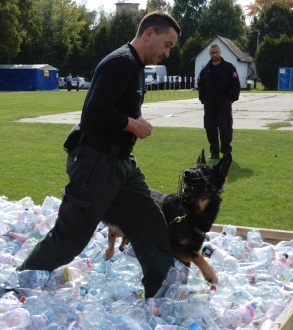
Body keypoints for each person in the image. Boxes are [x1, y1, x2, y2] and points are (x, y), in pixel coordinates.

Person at [17, 11, 181, 299]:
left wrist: (132, 125)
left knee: (149, 222)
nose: (167, 53)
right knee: (71, 238)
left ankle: (164, 295)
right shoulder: (120, 62)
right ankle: (20, 283)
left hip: (121, 164)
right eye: (167, 44)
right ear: (149, 34)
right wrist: (133, 124)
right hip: (96, 163)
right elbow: (95, 109)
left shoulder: (136, 66)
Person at [198, 44, 240, 159]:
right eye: (212, 53)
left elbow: (236, 85)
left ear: (220, 52)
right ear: (209, 54)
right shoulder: (205, 70)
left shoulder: (229, 68)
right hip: (210, 103)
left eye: (216, 52)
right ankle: (214, 151)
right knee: (210, 127)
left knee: (225, 127)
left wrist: (231, 99)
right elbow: (200, 86)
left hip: (224, 102)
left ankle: (226, 151)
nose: (214, 54)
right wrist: (203, 100)